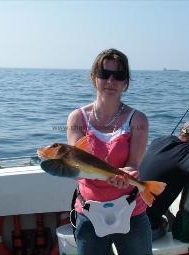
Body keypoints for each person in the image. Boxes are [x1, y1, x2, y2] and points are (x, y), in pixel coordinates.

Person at [66, 48, 151, 255]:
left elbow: (133, 164)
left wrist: (127, 175)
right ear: (95, 78)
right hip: (89, 212)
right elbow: (77, 166)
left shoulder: (138, 120)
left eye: (118, 76)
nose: (111, 81)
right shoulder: (77, 119)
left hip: (131, 210)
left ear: (125, 82)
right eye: (104, 74)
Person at [139, 120, 189, 240]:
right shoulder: (187, 153)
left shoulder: (160, 141)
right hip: (141, 229)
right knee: (164, 224)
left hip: (126, 216)